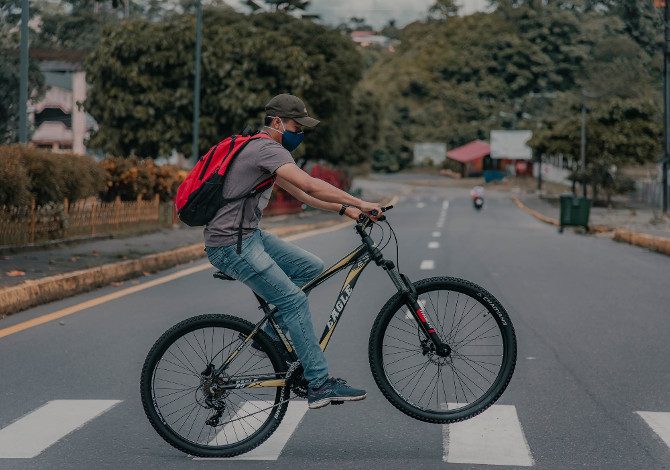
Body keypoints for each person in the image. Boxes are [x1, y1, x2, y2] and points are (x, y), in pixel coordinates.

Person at [204, 94, 382, 409]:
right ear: (277, 122)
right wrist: (361, 202)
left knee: (310, 268)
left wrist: (346, 209)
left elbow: (303, 193)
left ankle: (273, 337)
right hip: (231, 243)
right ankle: (319, 383)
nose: (299, 133)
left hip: (248, 236)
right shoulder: (266, 149)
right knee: (294, 301)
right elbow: (312, 184)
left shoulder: (265, 151)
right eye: (296, 126)